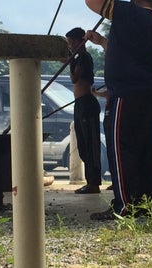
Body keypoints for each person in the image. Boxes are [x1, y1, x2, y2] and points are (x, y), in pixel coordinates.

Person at [85, 0, 152, 220]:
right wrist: (101, 41)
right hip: (149, 92)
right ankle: (143, 205)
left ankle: (125, 206)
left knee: (122, 150)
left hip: (127, 93)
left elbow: (91, 1)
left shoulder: (128, 11)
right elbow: (126, 52)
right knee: (145, 153)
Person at [65, 27, 103, 194]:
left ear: (80, 41)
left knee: (90, 144)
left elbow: (74, 77)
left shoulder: (83, 58)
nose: (70, 45)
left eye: (72, 42)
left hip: (87, 103)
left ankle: (94, 183)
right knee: (83, 144)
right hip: (80, 103)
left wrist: (70, 60)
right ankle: (90, 181)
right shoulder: (78, 57)